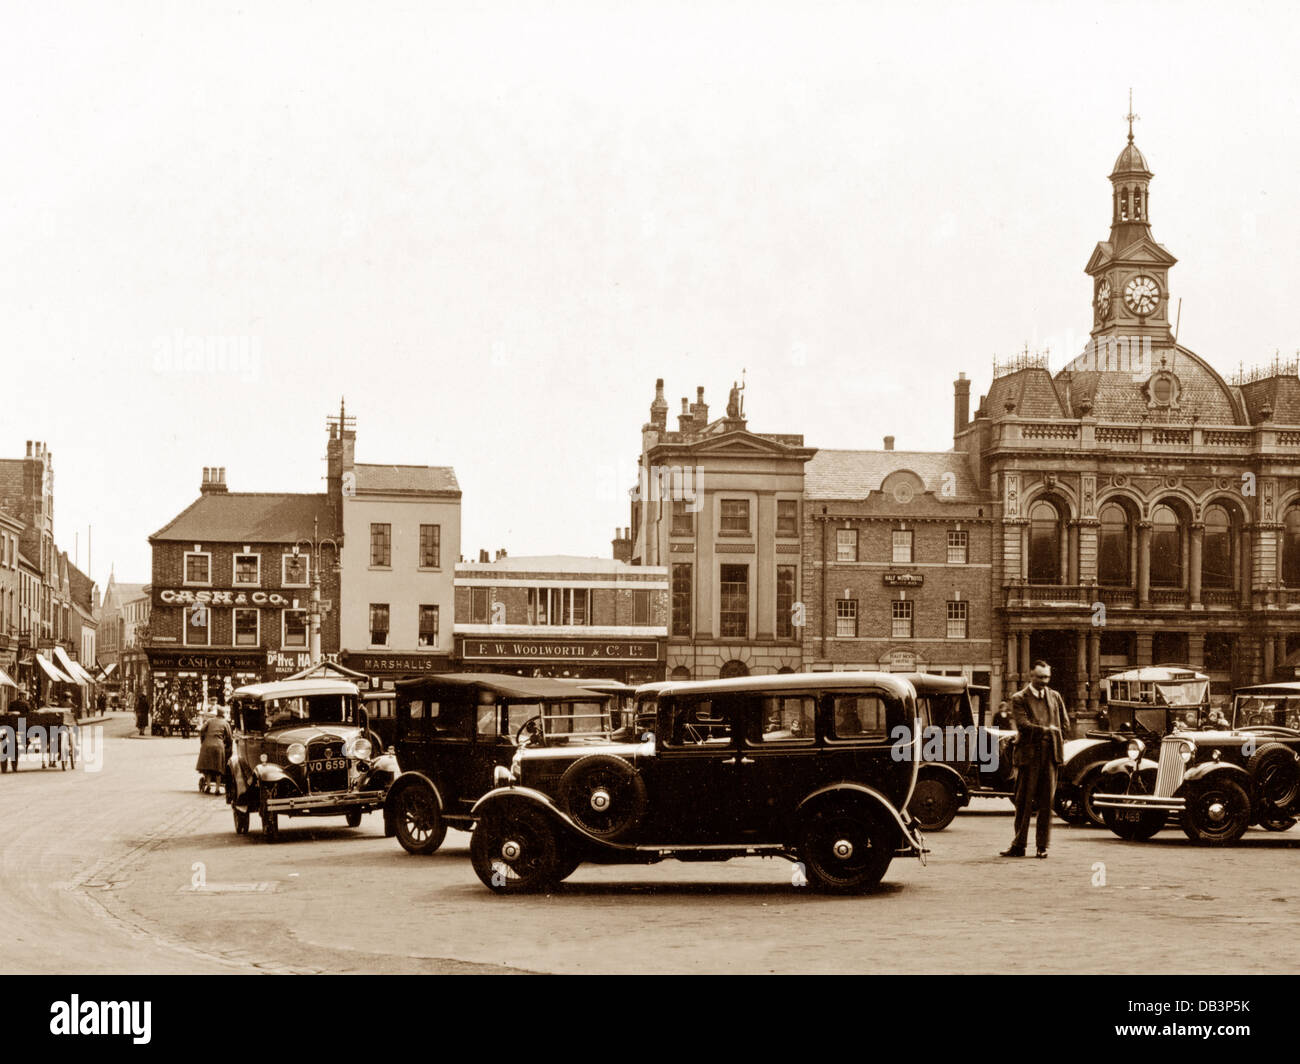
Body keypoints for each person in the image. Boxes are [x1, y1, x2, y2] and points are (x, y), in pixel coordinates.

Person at [1001, 659, 1070, 859]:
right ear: (1031, 675)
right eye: (1040, 677)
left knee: (1046, 804)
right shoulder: (1019, 698)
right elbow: (1023, 724)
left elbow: (1064, 724)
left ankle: (1042, 846)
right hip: (1028, 757)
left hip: (1050, 757)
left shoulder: (1055, 697)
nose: (1044, 681)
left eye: (1047, 677)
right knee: (1023, 803)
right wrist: (1047, 730)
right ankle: (1019, 845)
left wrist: (1053, 735)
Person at [195, 708, 233, 792]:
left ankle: (208, 785)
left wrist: (203, 740)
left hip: (207, 745)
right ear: (223, 714)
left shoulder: (209, 721)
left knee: (208, 767)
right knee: (218, 768)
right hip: (218, 746)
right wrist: (228, 747)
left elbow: (202, 730)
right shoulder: (225, 723)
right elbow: (230, 738)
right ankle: (217, 788)